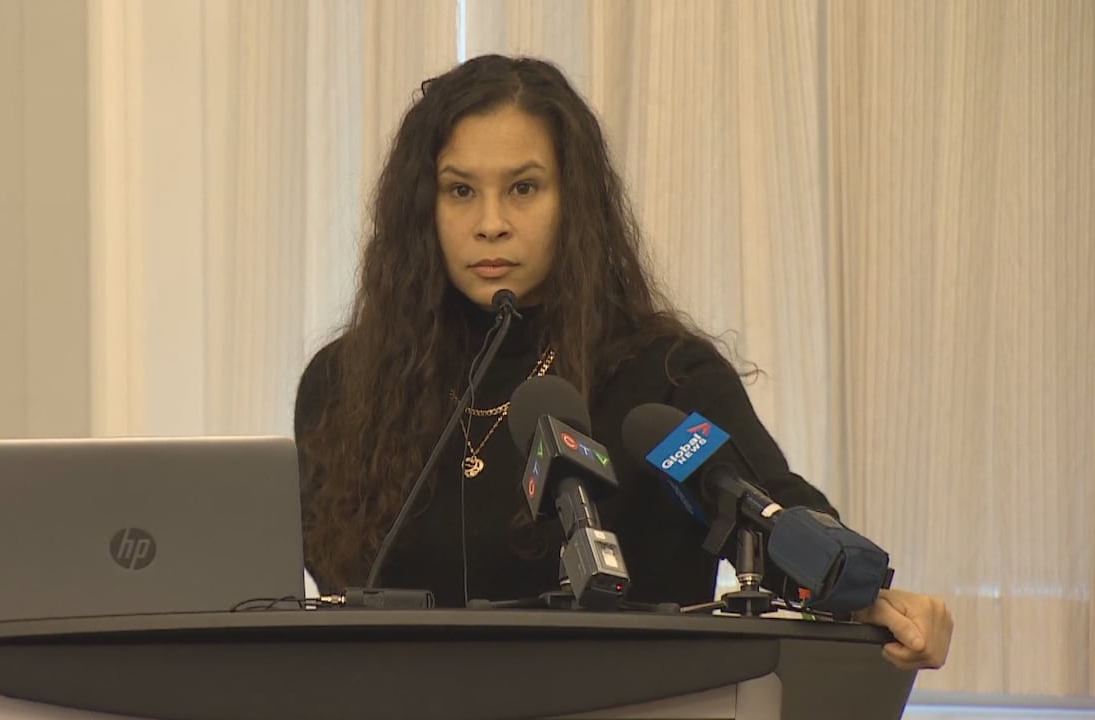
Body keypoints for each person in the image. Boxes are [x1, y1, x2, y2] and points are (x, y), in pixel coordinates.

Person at [294, 54, 951, 671]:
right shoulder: (343, 386)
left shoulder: (663, 381)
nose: (490, 222)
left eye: (523, 188)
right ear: (422, 210)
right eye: (460, 191)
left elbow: (775, 523)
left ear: (574, 203)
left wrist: (870, 594)